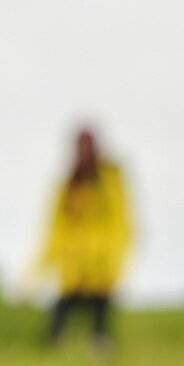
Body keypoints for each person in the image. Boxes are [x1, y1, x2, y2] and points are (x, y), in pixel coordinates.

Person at [33, 127, 134, 349]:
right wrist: (44, 264)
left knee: (100, 306)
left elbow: (122, 220)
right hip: (74, 261)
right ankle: (54, 345)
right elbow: (56, 226)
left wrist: (113, 257)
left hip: (101, 260)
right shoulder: (69, 183)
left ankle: (100, 347)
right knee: (64, 305)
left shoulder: (110, 181)